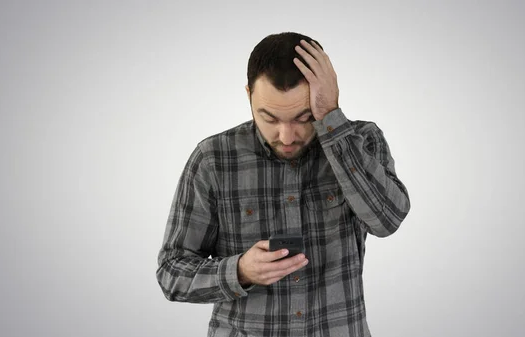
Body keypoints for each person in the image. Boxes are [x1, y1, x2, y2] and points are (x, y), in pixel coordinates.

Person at [156, 31, 411, 337]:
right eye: (270, 118)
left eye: (303, 118)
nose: (286, 137)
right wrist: (240, 271)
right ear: (249, 94)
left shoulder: (362, 140)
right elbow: (172, 273)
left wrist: (330, 118)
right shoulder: (213, 158)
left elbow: (387, 220)